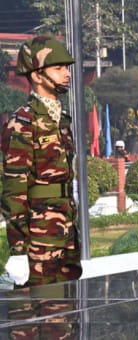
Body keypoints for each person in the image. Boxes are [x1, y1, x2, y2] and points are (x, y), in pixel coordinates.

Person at [1, 36, 81, 287]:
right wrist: (18, 250)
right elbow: (14, 190)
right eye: (58, 68)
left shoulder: (62, 120)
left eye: (66, 68)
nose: (66, 74)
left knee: (68, 310)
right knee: (39, 312)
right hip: (38, 237)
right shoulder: (23, 123)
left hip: (66, 231)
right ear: (36, 75)